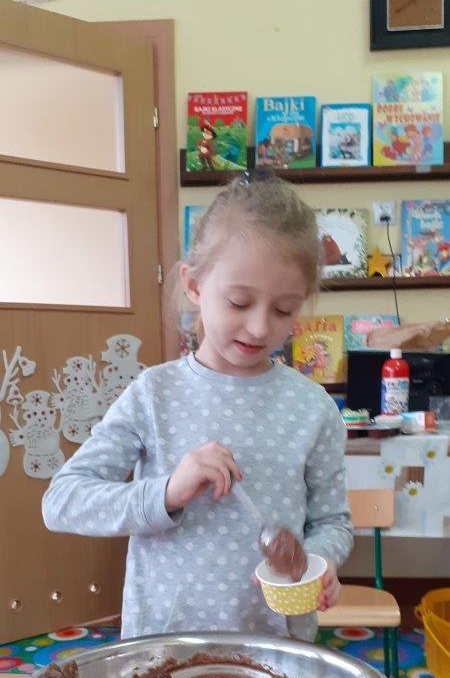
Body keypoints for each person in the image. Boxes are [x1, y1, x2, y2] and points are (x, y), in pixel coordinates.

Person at [42, 171, 353, 641]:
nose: (259, 327)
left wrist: (321, 560)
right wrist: (167, 492)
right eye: (239, 302)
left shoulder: (312, 408)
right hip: (164, 643)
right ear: (194, 285)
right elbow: (62, 502)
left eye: (283, 310)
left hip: (274, 646)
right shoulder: (153, 394)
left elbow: (332, 522)